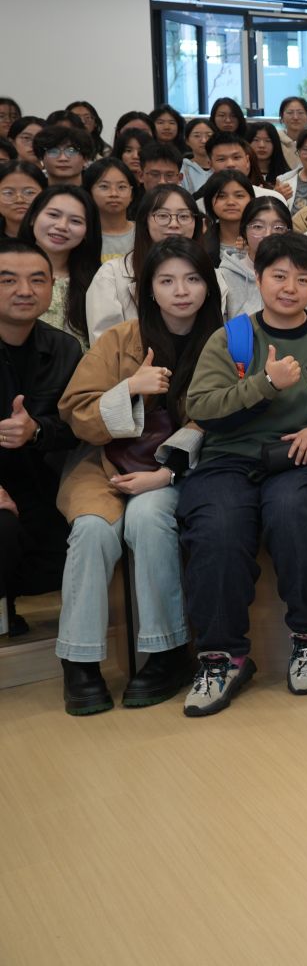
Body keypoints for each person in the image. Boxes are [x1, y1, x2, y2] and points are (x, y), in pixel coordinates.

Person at [177, 233, 307, 716]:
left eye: (303, 279)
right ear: (258, 279)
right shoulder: (231, 337)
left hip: (301, 456)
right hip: (229, 458)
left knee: (295, 513)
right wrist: (265, 385)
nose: (290, 288)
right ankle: (221, 657)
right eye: (279, 276)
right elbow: (201, 407)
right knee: (217, 527)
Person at [53, 238, 219, 712]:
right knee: (91, 529)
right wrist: (129, 387)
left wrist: (166, 473)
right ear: (148, 290)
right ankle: (79, 661)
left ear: (209, 287)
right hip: (105, 465)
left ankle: (166, 652)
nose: (181, 291)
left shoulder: (225, 342)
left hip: (178, 471)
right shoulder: (119, 339)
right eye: (167, 281)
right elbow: (77, 412)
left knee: (148, 518)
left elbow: (223, 420)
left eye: (192, 279)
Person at [0, 244, 84, 640]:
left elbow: (76, 426)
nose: (24, 290)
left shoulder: (65, 349)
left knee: (75, 547)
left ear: (52, 287)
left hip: (38, 483)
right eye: (8, 280)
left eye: (37, 280)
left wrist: (36, 430)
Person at [86, 185, 201, 340]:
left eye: (184, 216)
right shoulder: (111, 275)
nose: (174, 223)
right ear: (144, 221)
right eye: (162, 215)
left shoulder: (212, 274)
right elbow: (105, 345)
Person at [25, 184, 98, 347]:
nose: (61, 226)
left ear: (87, 232)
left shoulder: (97, 281)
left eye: (75, 221)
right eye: (53, 215)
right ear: (33, 217)